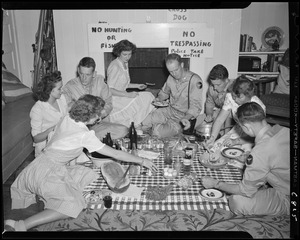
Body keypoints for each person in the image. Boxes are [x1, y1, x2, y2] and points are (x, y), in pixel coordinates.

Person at [4, 94, 158, 231]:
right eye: (97, 116)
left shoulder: (67, 118)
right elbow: (115, 153)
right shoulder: (84, 135)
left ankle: (47, 197)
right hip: (45, 173)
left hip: (41, 165)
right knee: (74, 205)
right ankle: (21, 225)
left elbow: (60, 143)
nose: (99, 119)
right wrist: (142, 160)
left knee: (88, 174)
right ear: (89, 116)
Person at [201, 102, 290, 215]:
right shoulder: (283, 129)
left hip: (288, 195)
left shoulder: (259, 152)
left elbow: (245, 191)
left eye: (241, 127)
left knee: (237, 202)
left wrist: (215, 183)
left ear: (247, 127)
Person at [63, 57, 128, 140]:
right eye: (81, 74)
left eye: (87, 75)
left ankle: (88, 140)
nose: (84, 78)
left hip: (97, 124)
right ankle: (87, 140)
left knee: (123, 130)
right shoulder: (69, 86)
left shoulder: (100, 81)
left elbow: (108, 103)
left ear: (94, 73)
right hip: (79, 127)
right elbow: (67, 109)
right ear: (78, 71)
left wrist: (99, 115)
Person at [141, 53, 203, 138]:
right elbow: (165, 93)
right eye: (170, 71)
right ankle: (158, 127)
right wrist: (159, 99)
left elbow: (196, 106)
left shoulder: (195, 80)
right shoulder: (171, 77)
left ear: (182, 65)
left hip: (182, 117)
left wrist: (186, 118)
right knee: (143, 122)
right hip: (169, 110)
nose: (174, 74)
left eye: (176, 70)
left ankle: (166, 129)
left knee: (157, 133)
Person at [205, 75, 266, 153]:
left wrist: (236, 141)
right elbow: (220, 120)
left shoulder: (258, 106)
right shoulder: (230, 97)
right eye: (234, 96)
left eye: (239, 97)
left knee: (243, 154)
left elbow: (258, 134)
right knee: (216, 148)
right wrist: (212, 138)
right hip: (237, 131)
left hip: (251, 137)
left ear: (249, 95)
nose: (235, 100)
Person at [106, 39, 155, 126]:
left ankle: (145, 122)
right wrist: (128, 95)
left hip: (123, 95)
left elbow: (122, 84)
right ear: (118, 53)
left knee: (148, 95)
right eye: (125, 54)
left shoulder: (125, 63)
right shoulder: (115, 66)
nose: (127, 57)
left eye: (129, 54)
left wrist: (137, 86)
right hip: (116, 100)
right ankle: (140, 124)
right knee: (148, 97)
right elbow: (109, 89)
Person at [30, 71, 68, 157]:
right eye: (59, 88)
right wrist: (53, 129)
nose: (62, 91)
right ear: (50, 90)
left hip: (61, 141)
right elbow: (36, 138)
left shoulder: (61, 98)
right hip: (45, 147)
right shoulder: (38, 109)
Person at [195, 64, 235, 135]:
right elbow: (209, 104)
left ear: (226, 80)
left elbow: (228, 115)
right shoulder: (212, 88)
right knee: (198, 120)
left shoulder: (235, 88)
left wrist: (225, 135)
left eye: (218, 85)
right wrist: (209, 115)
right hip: (220, 112)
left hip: (235, 116)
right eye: (213, 84)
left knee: (221, 127)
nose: (215, 88)